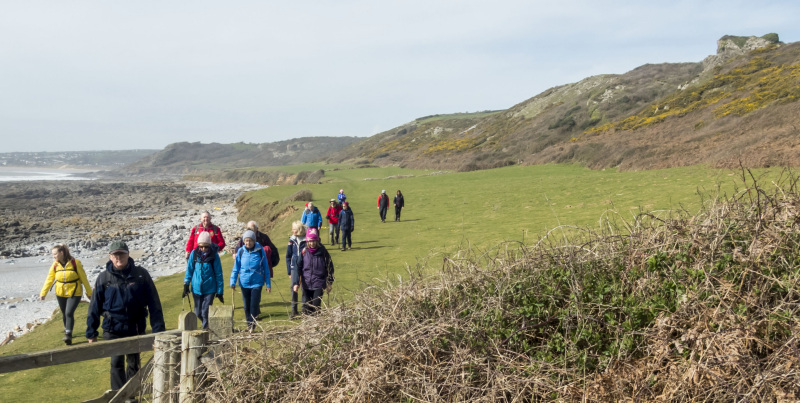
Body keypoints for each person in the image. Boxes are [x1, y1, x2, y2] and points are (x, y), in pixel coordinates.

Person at [86, 241, 165, 391]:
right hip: (112, 328)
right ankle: (118, 397)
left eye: (121, 254)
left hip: (135, 326)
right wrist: (91, 332)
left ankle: (132, 395)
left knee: (133, 362)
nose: (118, 258)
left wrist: (158, 329)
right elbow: (94, 306)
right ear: (110, 257)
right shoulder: (104, 278)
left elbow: (154, 303)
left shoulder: (141, 274)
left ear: (128, 254)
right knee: (116, 362)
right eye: (115, 255)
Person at [39, 243, 93, 345]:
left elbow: (84, 279)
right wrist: (43, 293)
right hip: (60, 292)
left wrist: (89, 293)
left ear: (62, 253)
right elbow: (49, 279)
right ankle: (67, 329)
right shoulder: (55, 265)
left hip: (75, 292)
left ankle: (68, 335)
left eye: (55, 254)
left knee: (69, 312)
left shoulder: (75, 263)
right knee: (64, 313)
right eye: (53, 254)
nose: (53, 256)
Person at [230, 230, 271, 330]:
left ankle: (252, 325)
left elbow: (266, 267)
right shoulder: (241, 251)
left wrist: (268, 284)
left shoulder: (260, 250)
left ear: (254, 241)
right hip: (244, 283)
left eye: (250, 241)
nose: (248, 243)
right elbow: (236, 268)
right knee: (246, 306)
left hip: (257, 283)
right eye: (246, 241)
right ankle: (249, 325)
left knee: (254, 305)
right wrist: (233, 281)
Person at [183, 232, 224, 329]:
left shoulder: (214, 256)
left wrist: (220, 291)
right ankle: (208, 325)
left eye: (206, 247)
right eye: (201, 247)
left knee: (205, 312)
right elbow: (189, 270)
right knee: (197, 312)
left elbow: (218, 273)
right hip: (196, 289)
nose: (203, 249)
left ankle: (205, 330)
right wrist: (186, 284)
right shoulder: (193, 254)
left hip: (210, 289)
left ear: (209, 245)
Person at [297, 228, 334, 315]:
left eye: (313, 241)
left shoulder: (323, 252)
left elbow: (330, 268)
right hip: (306, 283)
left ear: (317, 241)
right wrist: (296, 281)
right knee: (307, 307)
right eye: (310, 241)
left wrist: (329, 283)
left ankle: (316, 325)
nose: (311, 243)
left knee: (316, 305)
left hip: (319, 283)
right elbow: (298, 266)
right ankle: (307, 326)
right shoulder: (304, 252)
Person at [285, 221, 307, 319]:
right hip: (294, 266)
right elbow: (288, 256)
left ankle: (304, 309)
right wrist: (289, 270)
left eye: (294, 229)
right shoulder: (291, 240)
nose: (292, 231)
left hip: (305, 266)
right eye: (292, 229)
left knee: (304, 287)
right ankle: (294, 310)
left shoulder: (306, 240)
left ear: (299, 230)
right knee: (293, 287)